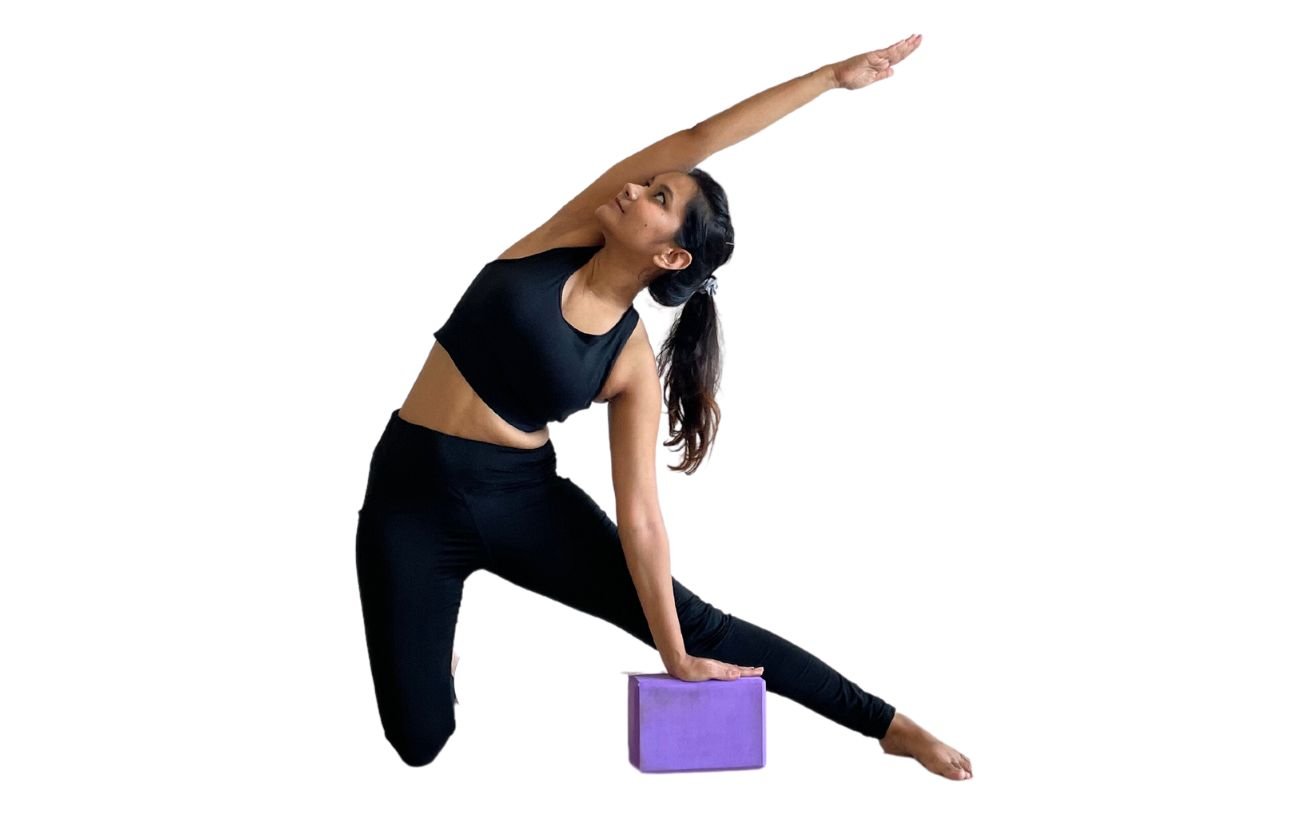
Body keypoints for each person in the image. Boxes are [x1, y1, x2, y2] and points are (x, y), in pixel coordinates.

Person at [355, 33, 972, 781]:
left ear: (673, 256)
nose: (637, 188)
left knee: (694, 621)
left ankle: (887, 723)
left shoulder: (629, 362)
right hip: (407, 492)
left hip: (519, 502)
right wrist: (830, 78)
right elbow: (702, 138)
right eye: (649, 183)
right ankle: (431, 647)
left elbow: (641, 515)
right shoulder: (566, 233)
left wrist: (673, 652)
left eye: (659, 199)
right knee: (418, 741)